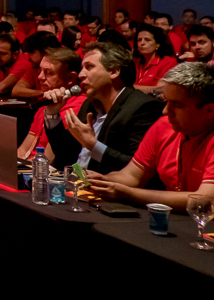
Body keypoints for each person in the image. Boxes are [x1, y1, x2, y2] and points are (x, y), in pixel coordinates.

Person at [85, 62, 214, 209]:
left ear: (209, 111)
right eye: (166, 101)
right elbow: (132, 176)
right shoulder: (163, 126)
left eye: (177, 105)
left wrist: (129, 194)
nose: (166, 111)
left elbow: (205, 200)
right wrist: (102, 180)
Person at [41, 42, 163, 171]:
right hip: (77, 184)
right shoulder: (90, 104)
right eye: (82, 67)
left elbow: (136, 168)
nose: (81, 74)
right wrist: (53, 113)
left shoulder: (143, 107)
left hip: (108, 188)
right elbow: (67, 155)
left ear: (114, 71)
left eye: (89, 67)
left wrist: (92, 145)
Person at [8, 32, 62, 99]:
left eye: (32, 52)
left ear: (45, 52)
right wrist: (45, 93)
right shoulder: (34, 66)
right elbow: (16, 90)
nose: (28, 57)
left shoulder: (62, 67)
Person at [134, 23, 178, 89]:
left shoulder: (168, 62)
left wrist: (132, 88)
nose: (142, 43)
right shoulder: (137, 61)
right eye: (139, 40)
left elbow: (162, 89)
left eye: (147, 40)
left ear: (158, 44)